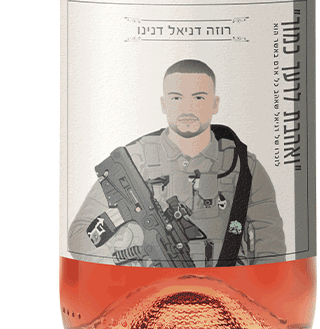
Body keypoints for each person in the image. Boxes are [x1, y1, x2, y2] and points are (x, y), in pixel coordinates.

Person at [67, 59, 285, 266]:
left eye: (198, 98)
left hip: (227, 286)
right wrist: (121, 274)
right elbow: (80, 235)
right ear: (164, 104)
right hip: (145, 287)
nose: (187, 109)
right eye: (176, 98)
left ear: (215, 104)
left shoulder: (242, 166)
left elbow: (271, 247)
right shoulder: (134, 161)